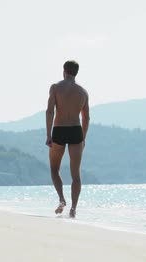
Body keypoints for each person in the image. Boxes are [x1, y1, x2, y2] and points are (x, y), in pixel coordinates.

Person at [45, 60, 90, 218]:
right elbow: (86, 118)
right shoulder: (83, 92)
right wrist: (83, 138)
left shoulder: (56, 87)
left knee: (54, 169)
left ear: (64, 71)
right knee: (76, 175)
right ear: (76, 72)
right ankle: (73, 209)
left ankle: (62, 199)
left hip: (59, 130)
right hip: (75, 131)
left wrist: (48, 135)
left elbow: (50, 111)